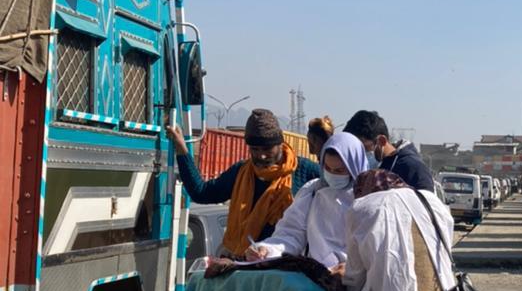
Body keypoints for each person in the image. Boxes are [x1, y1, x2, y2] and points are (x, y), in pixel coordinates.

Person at [168, 108, 323, 257]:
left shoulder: (305, 172)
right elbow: (201, 193)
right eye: (255, 150)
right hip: (245, 263)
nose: (262, 156)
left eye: (267, 149)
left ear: (280, 144)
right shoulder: (240, 172)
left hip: (286, 267)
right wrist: (182, 150)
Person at [246, 131, 367, 272]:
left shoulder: (368, 199)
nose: (332, 175)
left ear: (354, 167)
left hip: (353, 279)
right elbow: (291, 233)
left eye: (339, 171)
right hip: (316, 277)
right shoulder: (312, 191)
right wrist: (267, 250)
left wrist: (351, 269)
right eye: (327, 168)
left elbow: (375, 251)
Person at [344, 110, 435, 192]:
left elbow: (427, 202)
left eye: (362, 148)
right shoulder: (379, 166)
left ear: (381, 141)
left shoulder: (413, 168)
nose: (358, 154)